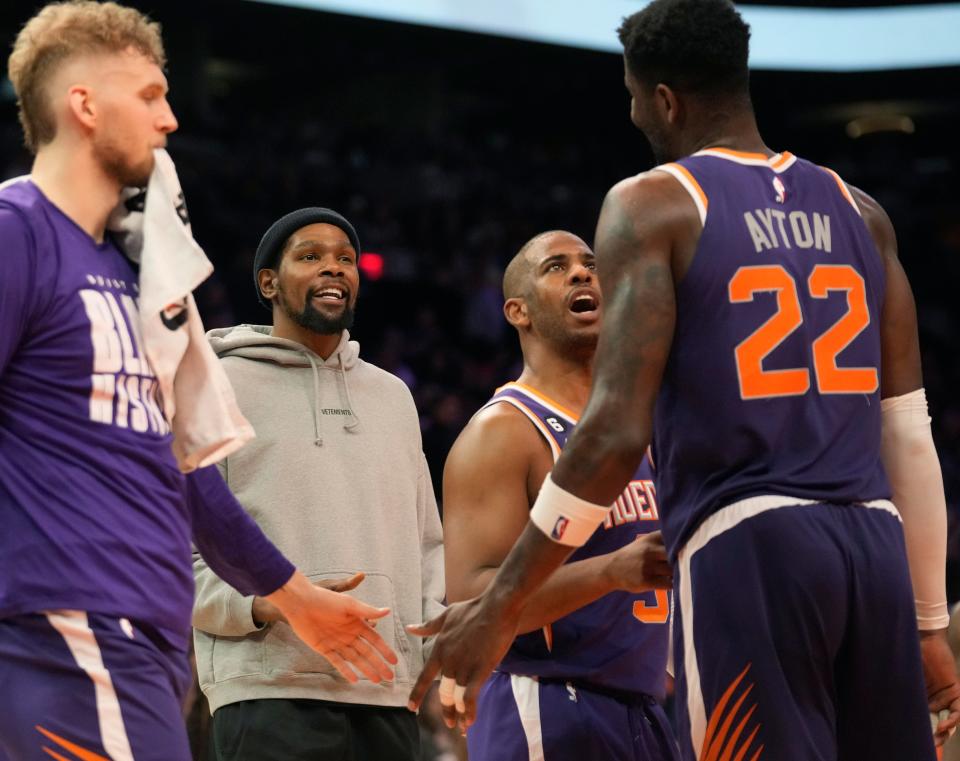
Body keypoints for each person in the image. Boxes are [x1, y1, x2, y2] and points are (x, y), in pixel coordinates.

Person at [408, 1, 960, 759]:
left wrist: (500, 607)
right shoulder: (861, 212)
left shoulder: (653, 202)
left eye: (635, 100)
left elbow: (615, 431)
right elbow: (908, 430)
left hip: (752, 543)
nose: (636, 116)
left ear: (663, 98)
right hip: (874, 543)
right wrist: (930, 621)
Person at [0, 5, 394, 760]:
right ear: (83, 104)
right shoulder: (17, 229)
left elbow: (192, 481)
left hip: (144, 644)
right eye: (148, 95)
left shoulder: (138, 276)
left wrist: (294, 595)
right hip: (59, 627)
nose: (170, 119)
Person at [192, 207, 445, 761]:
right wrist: (272, 602)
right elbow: (174, 548)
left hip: (388, 692)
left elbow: (428, 542)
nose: (334, 269)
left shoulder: (393, 396)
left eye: (345, 260)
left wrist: (425, 660)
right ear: (269, 283)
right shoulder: (215, 384)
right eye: (310, 257)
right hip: (267, 689)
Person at [443, 230, 676, 760]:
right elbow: (473, 606)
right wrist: (610, 571)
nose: (581, 272)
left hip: (642, 708)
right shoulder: (503, 433)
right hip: (544, 704)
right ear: (518, 312)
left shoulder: (637, 428)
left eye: (590, 264)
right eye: (556, 267)